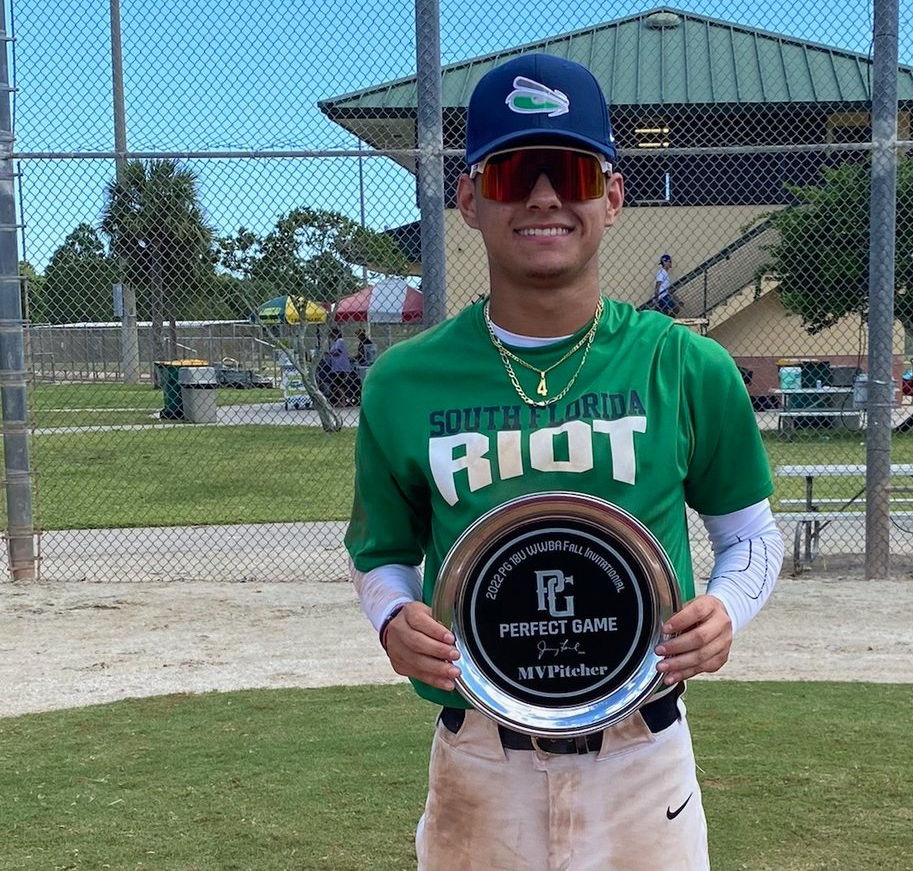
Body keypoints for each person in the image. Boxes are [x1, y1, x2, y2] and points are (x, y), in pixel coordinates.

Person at [345, 53, 783, 871]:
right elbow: (380, 554)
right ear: (470, 197)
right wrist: (391, 617)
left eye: (572, 169)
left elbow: (752, 538)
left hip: (640, 753)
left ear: (611, 195)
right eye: (513, 172)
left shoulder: (685, 365)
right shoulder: (404, 382)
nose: (544, 196)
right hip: (480, 757)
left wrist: (725, 611)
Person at [323, 327, 354, 406]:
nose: (331, 338)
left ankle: (343, 401)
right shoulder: (337, 342)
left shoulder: (339, 341)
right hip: (336, 366)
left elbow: (338, 352)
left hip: (340, 366)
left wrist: (328, 354)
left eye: (332, 335)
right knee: (338, 384)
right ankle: (341, 400)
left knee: (338, 384)